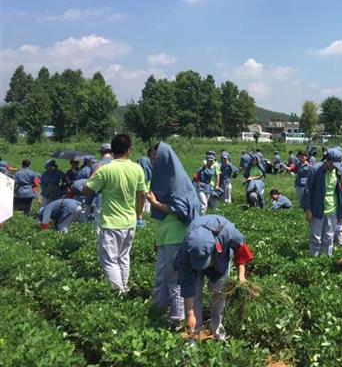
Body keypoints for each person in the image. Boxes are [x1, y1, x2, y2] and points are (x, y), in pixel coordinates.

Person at [174, 215, 254, 339]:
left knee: (218, 293)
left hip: (220, 259)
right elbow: (187, 284)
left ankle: (217, 327)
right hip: (195, 260)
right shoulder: (186, 250)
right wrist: (190, 314)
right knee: (195, 294)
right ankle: (194, 333)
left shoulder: (227, 231)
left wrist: (241, 275)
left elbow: (241, 250)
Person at [84, 134, 147, 293]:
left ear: (112, 150)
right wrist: (138, 215)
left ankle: (119, 294)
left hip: (111, 222)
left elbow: (87, 190)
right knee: (123, 258)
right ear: (129, 150)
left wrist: (95, 171)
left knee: (110, 261)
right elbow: (142, 195)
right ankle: (124, 289)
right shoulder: (137, 168)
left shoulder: (106, 169)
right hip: (130, 221)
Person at [146, 142, 199, 328]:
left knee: (173, 279)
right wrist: (157, 239)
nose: (153, 163)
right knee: (161, 277)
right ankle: (158, 313)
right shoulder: (167, 178)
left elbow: (180, 210)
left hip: (176, 238)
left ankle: (177, 319)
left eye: (155, 159)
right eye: (151, 159)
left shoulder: (177, 182)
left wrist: (155, 203)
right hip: (165, 238)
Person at [301, 148, 342, 256]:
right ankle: (314, 260)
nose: (334, 167)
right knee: (316, 237)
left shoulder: (338, 171)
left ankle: (326, 259)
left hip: (332, 208)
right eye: (333, 164)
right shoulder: (315, 169)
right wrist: (308, 209)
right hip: (317, 209)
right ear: (327, 160)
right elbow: (308, 190)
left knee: (329, 237)